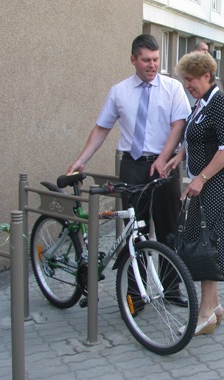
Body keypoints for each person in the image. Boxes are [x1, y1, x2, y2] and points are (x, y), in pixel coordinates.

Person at [66, 34, 191, 306]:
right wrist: (82, 159)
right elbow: (102, 128)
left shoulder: (172, 88)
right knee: (135, 232)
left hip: (165, 167)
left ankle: (171, 289)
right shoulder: (119, 91)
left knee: (169, 229)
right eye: (146, 60)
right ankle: (135, 294)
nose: (152, 65)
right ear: (133, 59)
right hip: (133, 167)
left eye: (156, 59)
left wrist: (164, 158)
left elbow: (178, 125)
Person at [166, 52, 224, 336]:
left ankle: (205, 315)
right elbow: (199, 137)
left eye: (190, 80)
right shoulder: (203, 103)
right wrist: (180, 156)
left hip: (218, 184)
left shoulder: (221, 105)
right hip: (207, 184)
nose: (187, 85)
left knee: (206, 245)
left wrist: (201, 178)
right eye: (185, 80)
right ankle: (213, 307)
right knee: (206, 243)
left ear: (206, 76)